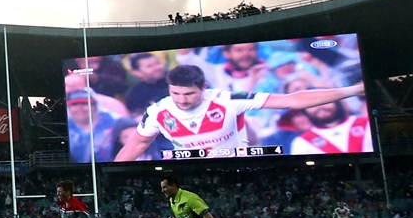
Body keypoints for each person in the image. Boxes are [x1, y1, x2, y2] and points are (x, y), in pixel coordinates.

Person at [113, 65, 365, 161]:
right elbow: (137, 144)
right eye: (176, 94)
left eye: (188, 94)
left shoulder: (229, 99)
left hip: (236, 165)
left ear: (204, 87)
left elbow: (292, 100)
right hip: (190, 174)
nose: (182, 100)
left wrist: (353, 90)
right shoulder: (158, 111)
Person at [288, 94, 373, 155]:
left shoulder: (367, 122)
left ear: (337, 103)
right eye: (312, 105)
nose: (319, 107)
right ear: (305, 111)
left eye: (325, 102)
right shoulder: (302, 142)